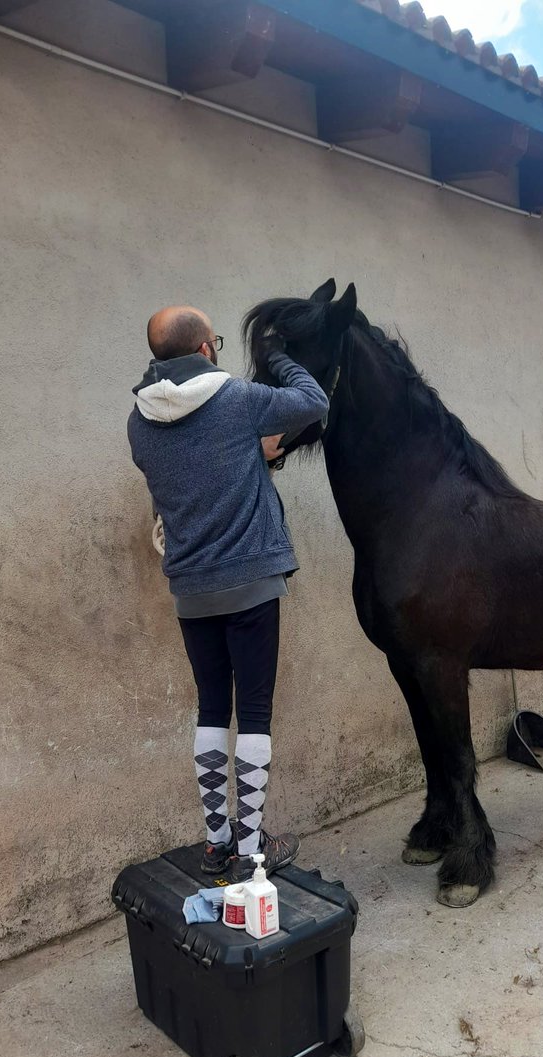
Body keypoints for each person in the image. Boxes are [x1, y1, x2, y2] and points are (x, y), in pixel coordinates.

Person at [128, 305, 329, 882]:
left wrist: (250, 455)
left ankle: (217, 844)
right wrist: (278, 358)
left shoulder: (137, 424)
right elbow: (314, 401)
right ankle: (250, 850)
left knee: (213, 707)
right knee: (256, 713)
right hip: (250, 581)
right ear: (206, 348)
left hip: (192, 588)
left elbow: (194, 469)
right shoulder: (239, 399)